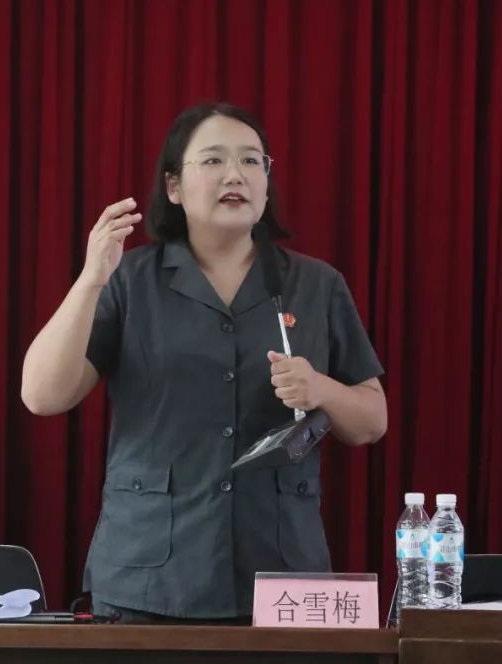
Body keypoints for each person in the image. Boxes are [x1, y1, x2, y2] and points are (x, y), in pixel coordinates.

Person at [21, 102, 387, 623]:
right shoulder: (129, 280)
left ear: (266, 183)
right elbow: (42, 395)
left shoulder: (316, 284)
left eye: (251, 161)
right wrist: (91, 279)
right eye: (213, 160)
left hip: (280, 574)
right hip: (150, 578)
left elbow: (373, 421)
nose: (235, 175)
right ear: (174, 186)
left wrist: (321, 389)